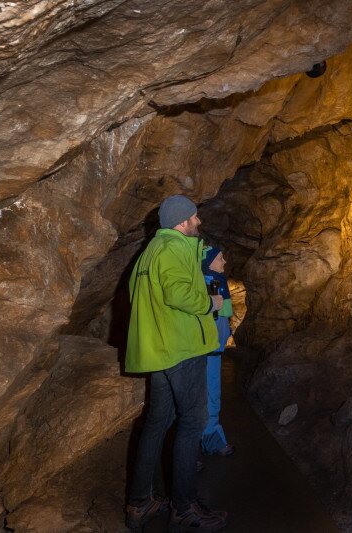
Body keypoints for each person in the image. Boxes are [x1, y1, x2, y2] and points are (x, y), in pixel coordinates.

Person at [123, 194, 229, 532]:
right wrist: (210, 301)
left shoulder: (149, 252)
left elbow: (135, 293)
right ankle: (183, 508)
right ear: (182, 222)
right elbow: (178, 294)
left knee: (157, 422)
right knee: (191, 423)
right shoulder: (172, 249)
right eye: (194, 217)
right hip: (181, 350)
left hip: (161, 351)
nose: (198, 222)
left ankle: (140, 502)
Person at [201, 246, 236, 457]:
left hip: (211, 351)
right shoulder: (209, 284)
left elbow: (222, 317)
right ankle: (209, 441)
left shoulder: (217, 283)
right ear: (209, 262)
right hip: (205, 353)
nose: (224, 262)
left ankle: (198, 445)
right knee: (208, 398)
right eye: (220, 258)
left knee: (207, 398)